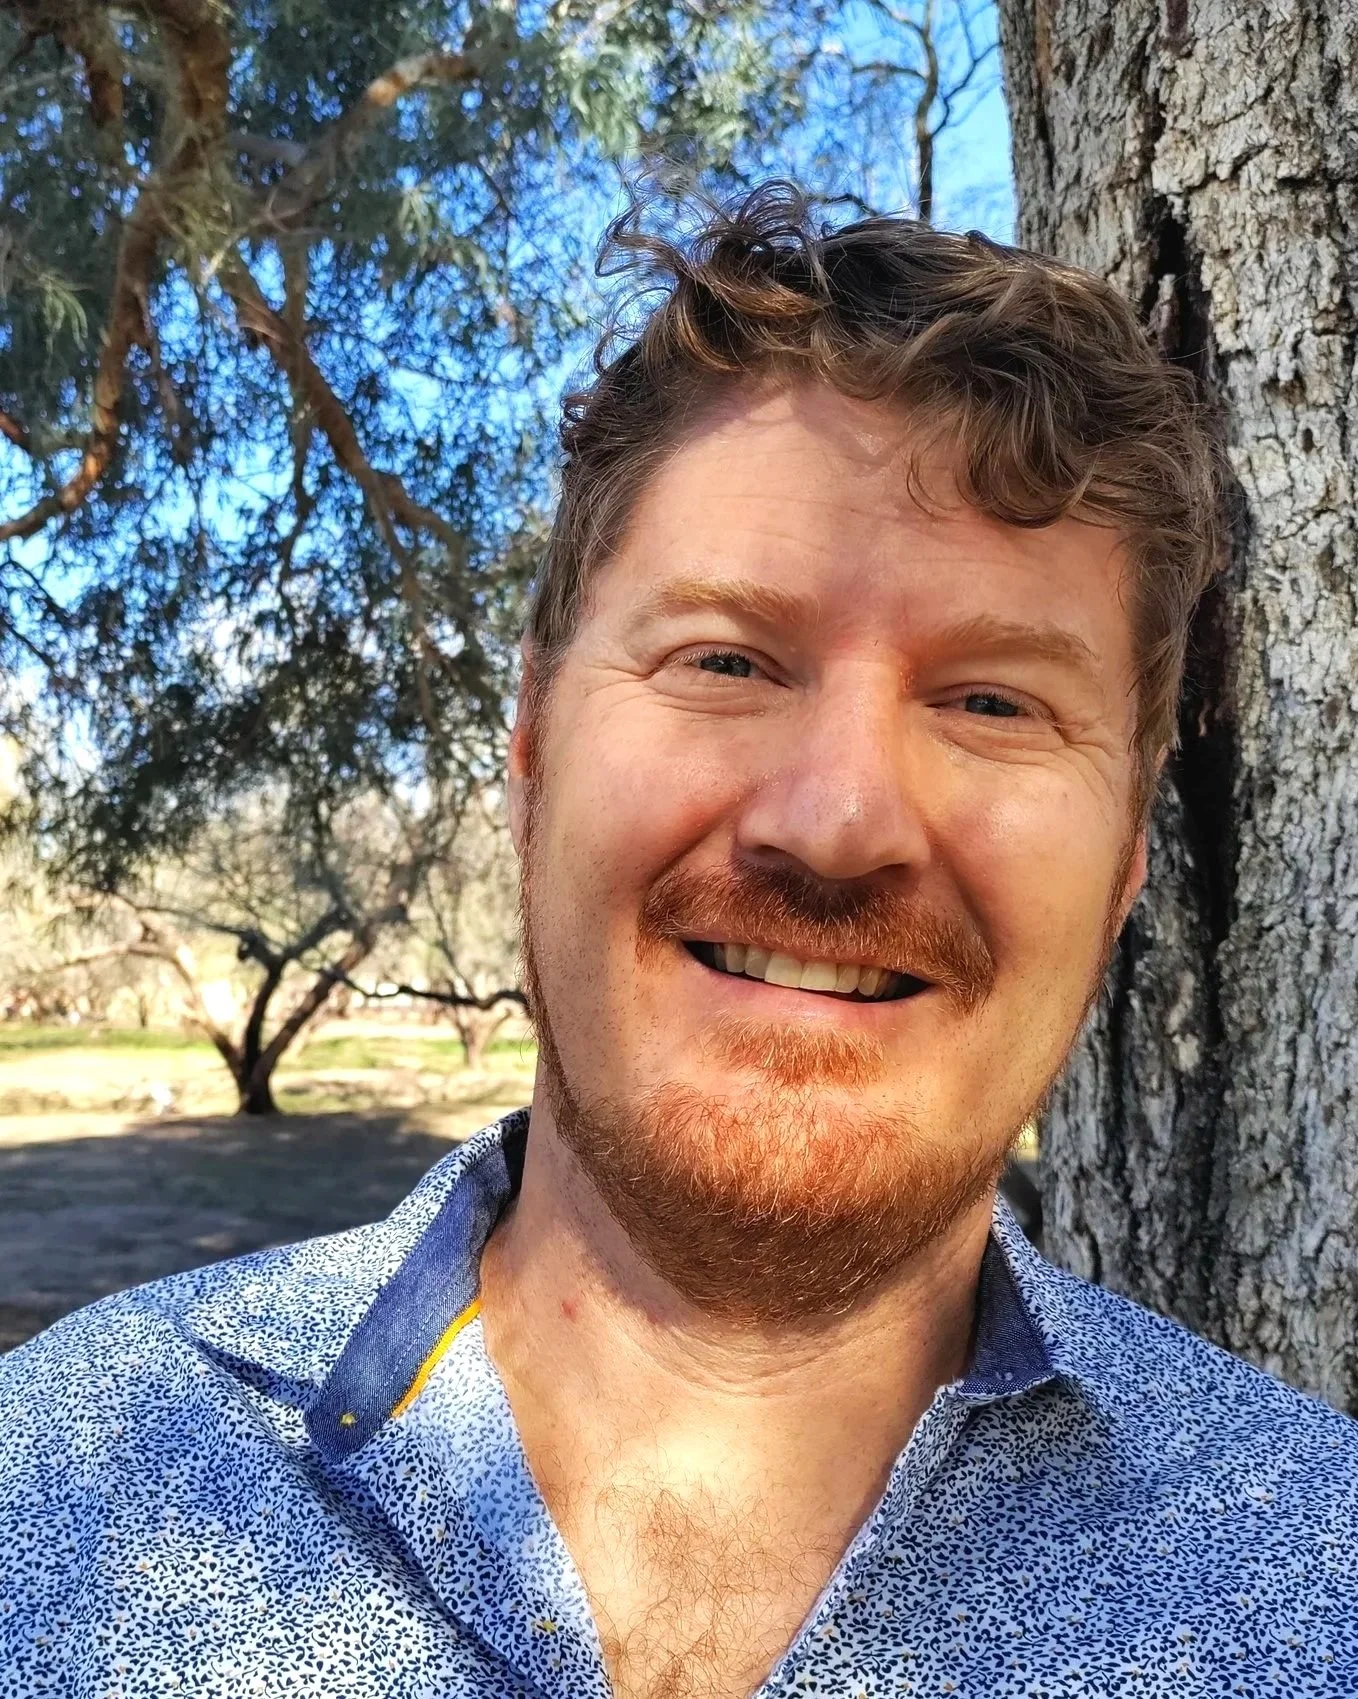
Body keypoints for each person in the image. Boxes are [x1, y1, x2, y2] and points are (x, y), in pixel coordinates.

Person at [2, 183, 1355, 1699]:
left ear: (1118, 864)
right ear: (528, 749)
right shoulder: (54, 1486)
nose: (838, 818)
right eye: (725, 658)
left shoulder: (1317, 1573)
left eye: (991, 700)